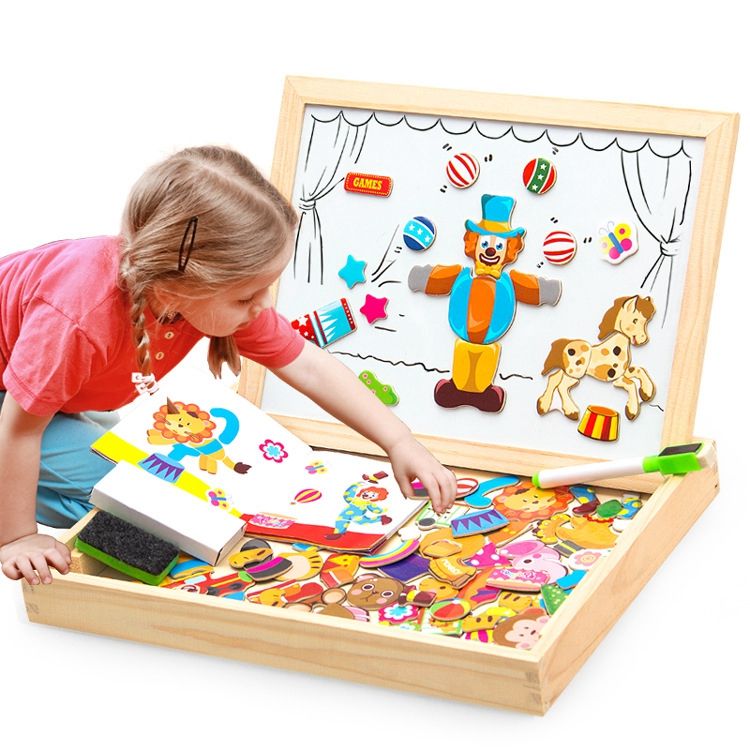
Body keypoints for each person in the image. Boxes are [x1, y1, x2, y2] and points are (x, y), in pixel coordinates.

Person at [0, 146, 457, 586]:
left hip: (46, 397)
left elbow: (309, 366)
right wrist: (17, 538)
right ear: (178, 286)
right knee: (131, 501)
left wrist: (398, 440)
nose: (263, 306)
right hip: (13, 405)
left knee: (141, 481)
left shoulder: (195, 293)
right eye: (246, 297)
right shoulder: (77, 318)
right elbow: (19, 429)